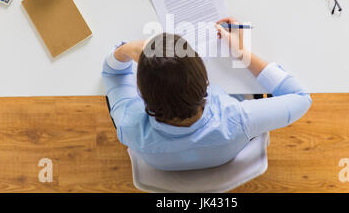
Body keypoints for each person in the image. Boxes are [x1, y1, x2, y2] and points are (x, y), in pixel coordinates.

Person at [102, 18, 312, 171]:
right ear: (205, 81)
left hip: (163, 167)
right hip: (224, 155)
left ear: (142, 93)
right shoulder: (238, 119)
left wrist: (126, 49)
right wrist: (242, 53)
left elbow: (112, 72)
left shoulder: (128, 126)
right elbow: (301, 97)